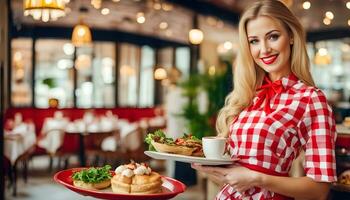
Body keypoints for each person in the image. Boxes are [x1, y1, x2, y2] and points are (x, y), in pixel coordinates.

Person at [192, 1, 337, 199]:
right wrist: (218, 171)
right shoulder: (248, 95)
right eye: (254, 41)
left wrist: (256, 178)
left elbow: (319, 189)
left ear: (292, 36)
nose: (264, 49)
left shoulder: (311, 99)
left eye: (273, 37)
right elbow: (238, 177)